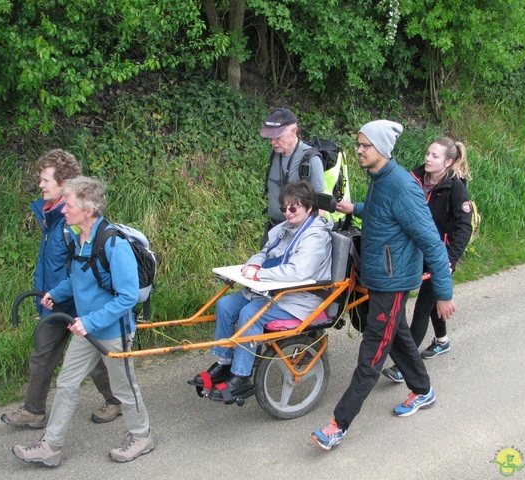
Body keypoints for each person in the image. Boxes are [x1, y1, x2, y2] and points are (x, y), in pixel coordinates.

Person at [310, 120, 456, 451]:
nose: (359, 150)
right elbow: (381, 213)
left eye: (365, 145)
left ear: (382, 150)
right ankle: (423, 389)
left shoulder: (402, 185)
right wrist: (353, 208)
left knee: (373, 351)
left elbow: (432, 241)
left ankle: (339, 424)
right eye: (358, 144)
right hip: (378, 276)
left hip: (393, 281)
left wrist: (444, 294)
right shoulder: (380, 180)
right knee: (397, 335)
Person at [12, 176, 153, 467]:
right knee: (66, 383)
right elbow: (78, 278)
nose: (63, 209)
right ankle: (50, 447)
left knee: (124, 388)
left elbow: (127, 297)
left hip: (112, 331)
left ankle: (141, 437)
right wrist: (55, 292)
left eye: (69, 204)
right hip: (86, 329)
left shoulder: (113, 243)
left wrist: (89, 322)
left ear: (88, 209)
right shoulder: (78, 237)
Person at [2, 150, 121, 429]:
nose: (41, 185)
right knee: (47, 354)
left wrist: (63, 296)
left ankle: (116, 401)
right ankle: (35, 410)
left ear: (65, 182)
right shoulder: (51, 217)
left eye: (46, 180)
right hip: (54, 300)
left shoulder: (73, 221)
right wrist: (49, 294)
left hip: (73, 302)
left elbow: (84, 267)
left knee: (86, 358)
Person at [192, 181, 333, 399]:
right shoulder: (284, 229)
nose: (287, 213)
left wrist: (259, 275)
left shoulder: (316, 236)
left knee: (250, 314)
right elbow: (265, 252)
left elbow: (298, 272)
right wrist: (254, 264)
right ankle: (224, 362)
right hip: (274, 290)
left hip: (300, 297)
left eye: (293, 208)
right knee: (226, 305)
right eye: (284, 208)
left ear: (308, 207)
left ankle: (240, 376)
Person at [382, 137, 472, 383]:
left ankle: (405, 366)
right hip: (414, 252)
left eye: (434, 156)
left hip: (439, 256)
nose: (428, 158)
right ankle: (441, 341)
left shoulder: (456, 188)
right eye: (428, 153)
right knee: (431, 303)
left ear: (448, 162)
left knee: (422, 307)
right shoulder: (415, 178)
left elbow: (464, 228)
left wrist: (449, 261)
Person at [260, 108, 326, 246]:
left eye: (278, 137)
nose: (273, 142)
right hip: (273, 230)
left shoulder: (310, 160)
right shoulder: (274, 154)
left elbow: (321, 204)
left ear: (294, 131)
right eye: (271, 137)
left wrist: (314, 241)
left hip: (298, 234)